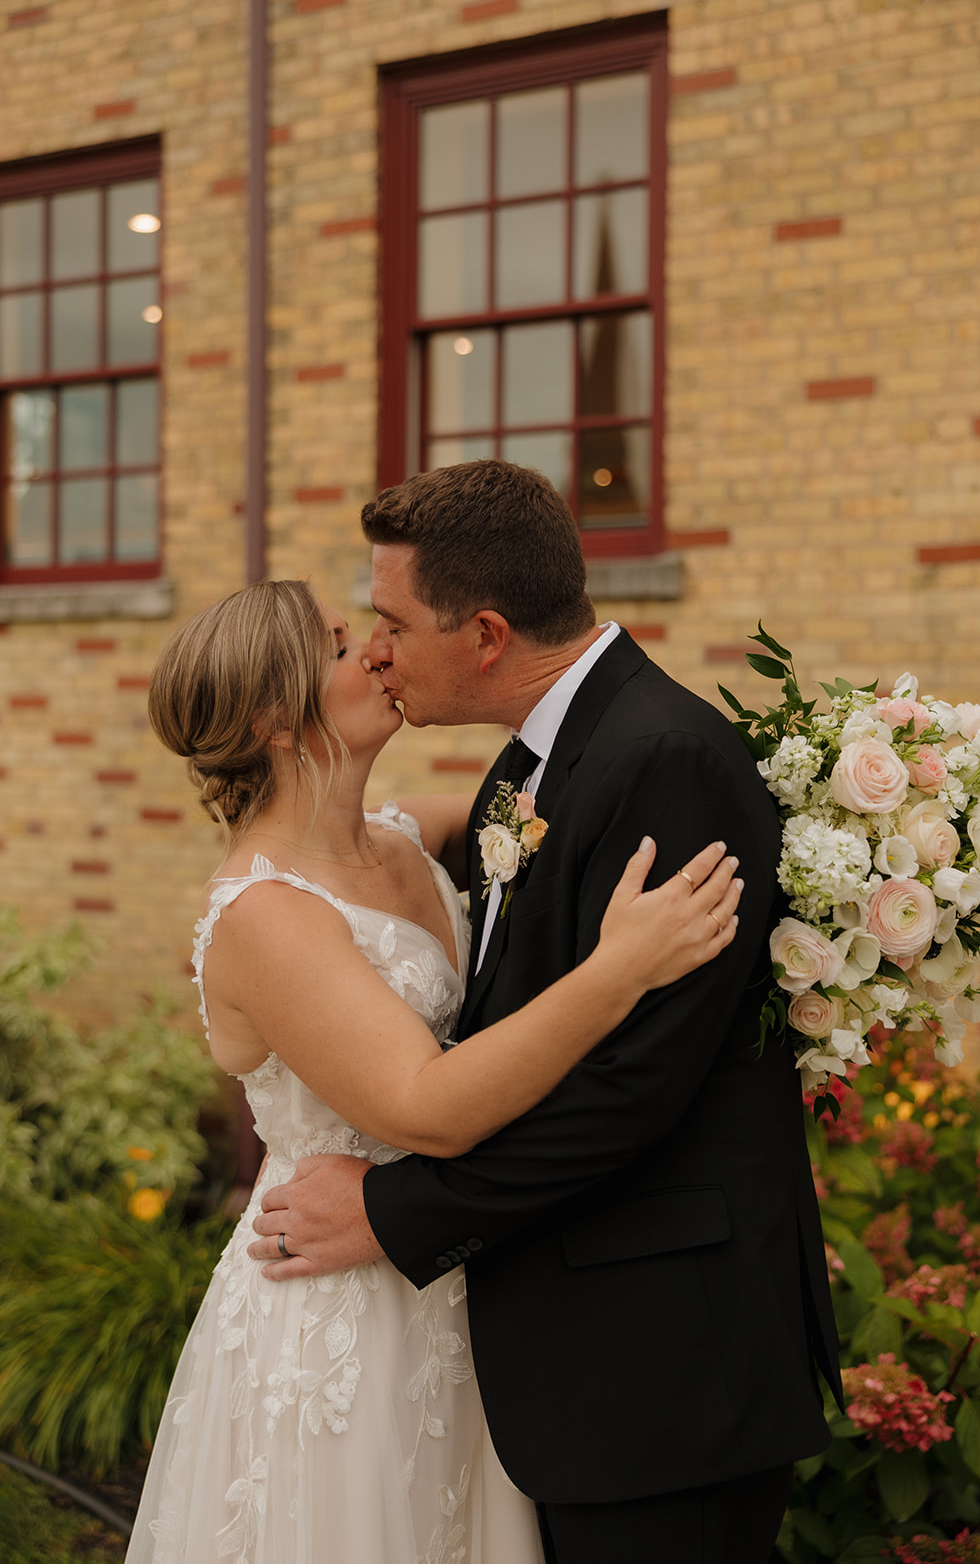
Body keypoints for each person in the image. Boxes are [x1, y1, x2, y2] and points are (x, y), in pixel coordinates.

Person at [249, 461, 842, 1564]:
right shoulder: (538, 760)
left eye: (388, 622)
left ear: (482, 634)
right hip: (582, 1358)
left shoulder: (659, 760)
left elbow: (628, 1093)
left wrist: (395, 1209)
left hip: (662, 1365)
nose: (373, 649)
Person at [124, 576, 742, 1564]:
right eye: (338, 644)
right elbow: (429, 1107)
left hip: (460, 1277)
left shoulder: (408, 836)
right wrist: (621, 966)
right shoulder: (263, 914)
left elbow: (577, 789)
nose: (377, 650)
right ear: (268, 717)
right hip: (343, 1309)